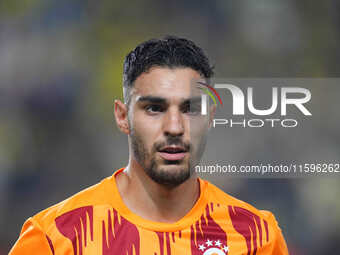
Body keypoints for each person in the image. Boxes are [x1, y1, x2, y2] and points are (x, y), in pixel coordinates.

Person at [9, 36, 288, 255]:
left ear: (210, 117)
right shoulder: (57, 237)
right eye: (154, 108)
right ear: (122, 116)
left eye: (191, 108)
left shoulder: (256, 235)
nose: (175, 127)